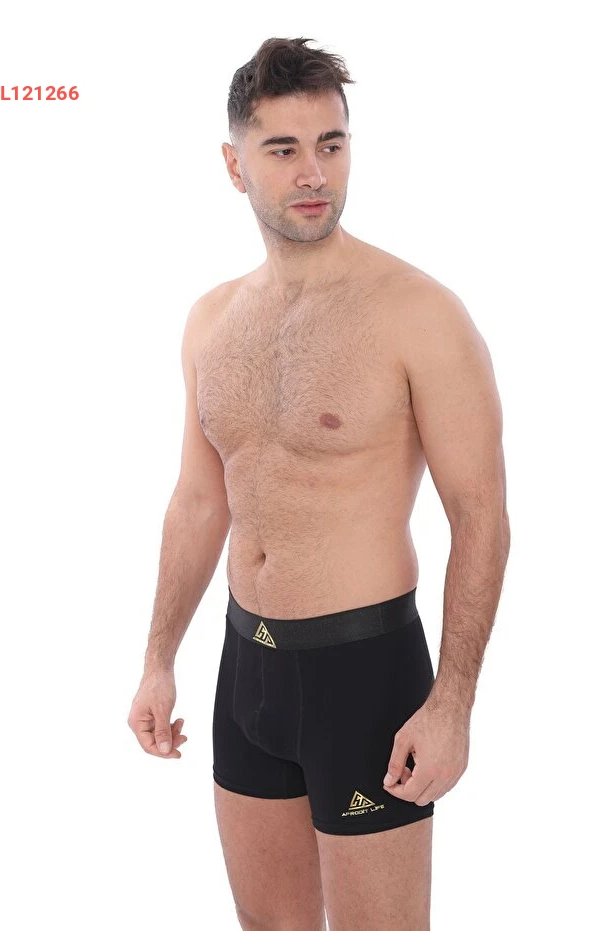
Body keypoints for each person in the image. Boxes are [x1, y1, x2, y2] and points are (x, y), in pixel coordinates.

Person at [127, 36, 510, 931]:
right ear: (234, 165)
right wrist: (157, 659)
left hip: (363, 676)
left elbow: (481, 517)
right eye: (283, 149)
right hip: (246, 667)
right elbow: (199, 500)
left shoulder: (418, 313)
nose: (313, 173)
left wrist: (451, 704)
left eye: (330, 145)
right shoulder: (212, 320)